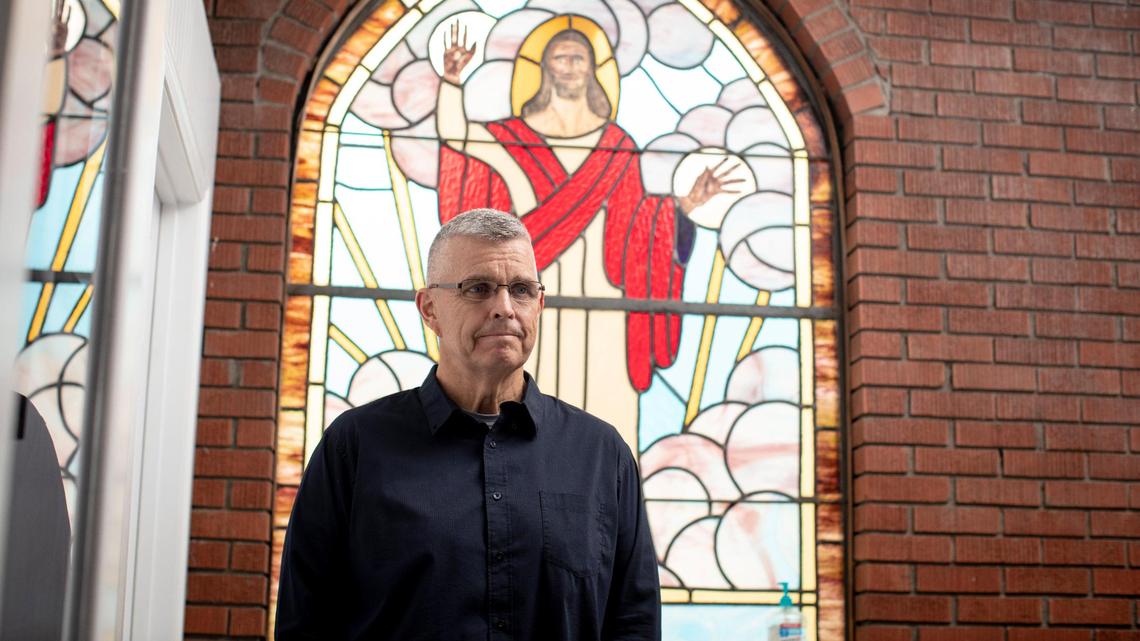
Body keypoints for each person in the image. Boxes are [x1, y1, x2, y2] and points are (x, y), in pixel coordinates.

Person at [276, 208, 661, 640]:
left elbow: (634, 623)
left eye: (520, 289)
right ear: (429, 309)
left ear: (539, 304)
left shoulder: (601, 455)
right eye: (478, 289)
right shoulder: (355, 447)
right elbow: (305, 623)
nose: (503, 308)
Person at [435, 20, 741, 448]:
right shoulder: (511, 140)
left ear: (594, 69)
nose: (570, 65)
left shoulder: (617, 145)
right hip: (524, 300)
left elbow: (639, 228)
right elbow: (458, 137)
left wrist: (682, 209)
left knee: (601, 421)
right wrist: (452, 81)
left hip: (602, 302)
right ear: (543, 68)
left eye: (579, 57)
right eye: (560, 56)